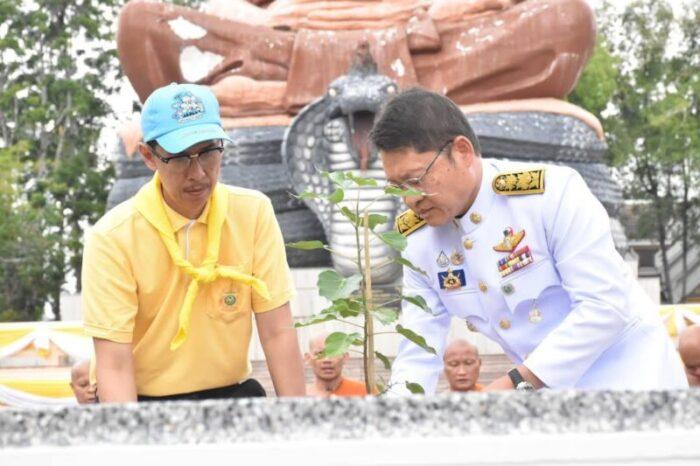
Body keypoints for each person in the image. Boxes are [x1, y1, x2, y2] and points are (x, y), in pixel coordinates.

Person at [370, 88, 688, 393]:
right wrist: (397, 412)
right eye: (397, 186)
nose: (410, 199)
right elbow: (418, 346)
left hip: (635, 381)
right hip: (550, 398)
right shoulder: (419, 239)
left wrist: (517, 383)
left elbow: (604, 306)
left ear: (462, 152)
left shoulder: (550, 196)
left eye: (416, 180)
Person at [81, 83, 306, 402]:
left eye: (208, 152)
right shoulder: (113, 237)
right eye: (180, 158)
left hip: (230, 395)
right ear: (149, 156)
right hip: (145, 402)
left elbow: (277, 331)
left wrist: (297, 418)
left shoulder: (252, 212)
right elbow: (114, 365)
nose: (198, 173)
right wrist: (132, 433)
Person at [305, 333, 368, 397]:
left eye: (334, 353)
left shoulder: (365, 392)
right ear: (308, 358)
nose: (327, 360)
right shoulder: (301, 396)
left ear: (345, 357)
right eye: (320, 353)